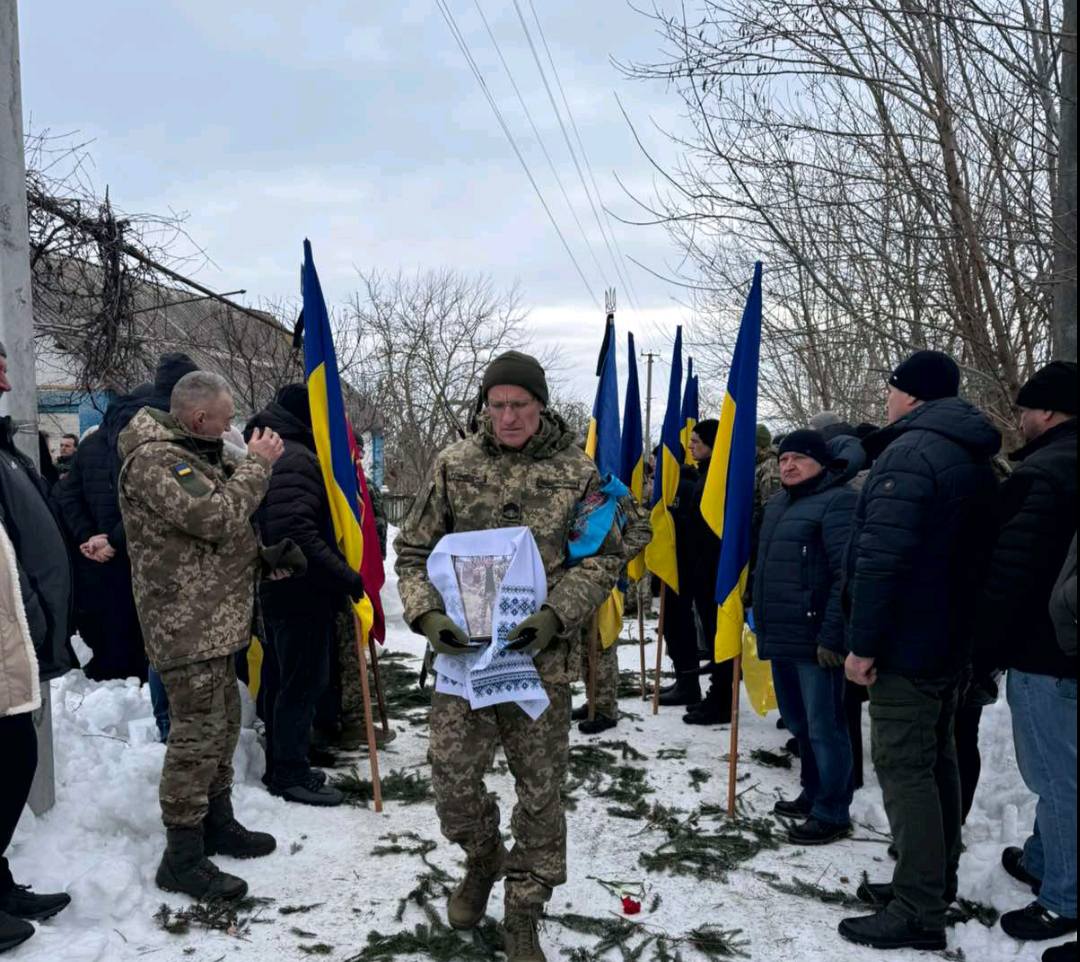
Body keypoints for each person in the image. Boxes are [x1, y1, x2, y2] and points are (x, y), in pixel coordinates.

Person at [395, 350, 624, 962]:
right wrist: (427, 616)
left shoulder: (577, 472)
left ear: (540, 405)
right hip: (464, 661)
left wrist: (556, 615)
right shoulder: (454, 464)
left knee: (540, 791)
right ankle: (482, 857)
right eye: (496, 404)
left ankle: (524, 907)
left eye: (519, 404)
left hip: (538, 663)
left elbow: (603, 557)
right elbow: (413, 550)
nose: (507, 416)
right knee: (451, 783)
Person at [838, 350, 1000, 952]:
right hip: (949, 639)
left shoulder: (911, 454)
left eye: (891, 389)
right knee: (937, 763)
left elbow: (882, 561)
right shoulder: (972, 454)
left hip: (908, 642)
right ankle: (931, 880)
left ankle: (917, 909)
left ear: (909, 395)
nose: (886, 399)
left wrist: (862, 646)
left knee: (906, 768)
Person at [118, 370, 285, 901]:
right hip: (185, 624)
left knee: (223, 725)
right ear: (198, 418)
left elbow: (218, 532)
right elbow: (213, 517)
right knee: (195, 737)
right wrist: (257, 464)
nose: (232, 427)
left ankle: (218, 821)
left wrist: (264, 559)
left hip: (214, 619)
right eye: (226, 419)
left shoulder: (194, 451)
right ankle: (182, 854)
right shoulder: (157, 460)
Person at [974, 361, 1077, 945]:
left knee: (1056, 777)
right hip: (1066, 646)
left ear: (1049, 411)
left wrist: (985, 649)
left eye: (1026, 408)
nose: (1020, 419)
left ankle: (1064, 898)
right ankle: (1043, 857)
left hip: (1047, 653)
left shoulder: (1045, 473)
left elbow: (1013, 574)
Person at [248, 384, 365, 806]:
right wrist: (347, 577)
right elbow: (296, 533)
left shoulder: (286, 451)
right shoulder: (295, 458)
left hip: (290, 589)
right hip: (299, 590)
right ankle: (289, 772)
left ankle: (286, 760)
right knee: (299, 682)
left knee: (284, 679)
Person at [0, 341, 74, 954]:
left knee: (13, 756)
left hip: (16, 634)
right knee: (10, 760)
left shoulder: (5, 449)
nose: (7, 380)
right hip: (7, 632)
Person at [754, 429, 859, 845]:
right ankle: (812, 792)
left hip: (816, 640)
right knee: (798, 723)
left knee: (824, 727)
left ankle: (833, 810)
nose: (789, 465)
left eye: (798, 458)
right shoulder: (778, 504)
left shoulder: (839, 501)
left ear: (821, 462)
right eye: (783, 459)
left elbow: (844, 576)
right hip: (781, 634)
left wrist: (833, 636)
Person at [54, 427, 148, 682]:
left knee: (110, 633)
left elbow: (67, 497)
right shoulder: (149, 443)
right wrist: (110, 539)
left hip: (98, 559)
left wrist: (88, 536)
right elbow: (149, 506)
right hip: (135, 557)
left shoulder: (90, 445)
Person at [574, 493, 652, 734]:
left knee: (601, 644)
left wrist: (616, 556)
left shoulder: (614, 490)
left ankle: (605, 709)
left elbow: (643, 528)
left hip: (604, 579)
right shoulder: (576, 487)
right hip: (574, 579)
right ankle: (593, 700)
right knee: (584, 646)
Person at [682, 420, 736, 726]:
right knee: (713, 635)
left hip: (715, 571)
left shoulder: (720, 478)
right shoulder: (704, 474)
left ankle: (721, 699)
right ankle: (717, 694)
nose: (690, 446)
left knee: (719, 635)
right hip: (702, 569)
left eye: (697, 442)